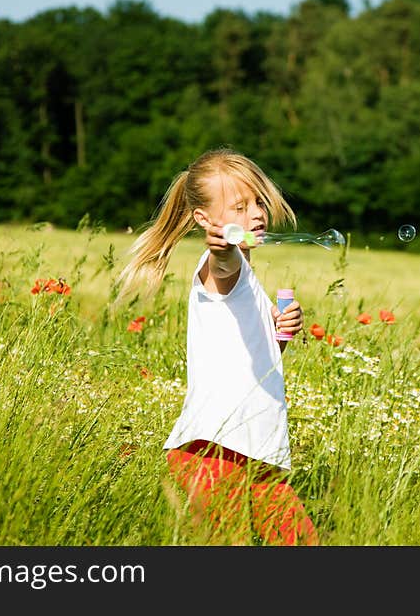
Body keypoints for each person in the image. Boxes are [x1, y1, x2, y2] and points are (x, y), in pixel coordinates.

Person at [115, 147, 320, 546]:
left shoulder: (251, 282)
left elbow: (254, 365)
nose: (257, 214)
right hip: (212, 454)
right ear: (205, 220)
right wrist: (221, 248)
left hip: (256, 459)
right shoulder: (223, 270)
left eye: (258, 202)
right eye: (240, 207)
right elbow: (222, 266)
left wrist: (280, 337)